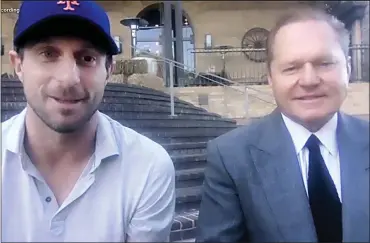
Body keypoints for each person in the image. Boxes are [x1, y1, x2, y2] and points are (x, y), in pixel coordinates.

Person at [2, 1, 176, 242]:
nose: (68, 79)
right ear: (18, 65)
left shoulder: (148, 167)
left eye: (87, 58)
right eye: (48, 54)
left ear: (108, 70)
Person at [196, 6, 369, 243]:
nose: (309, 80)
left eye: (324, 63)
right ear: (270, 77)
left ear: (347, 68)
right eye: (291, 68)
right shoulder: (231, 158)